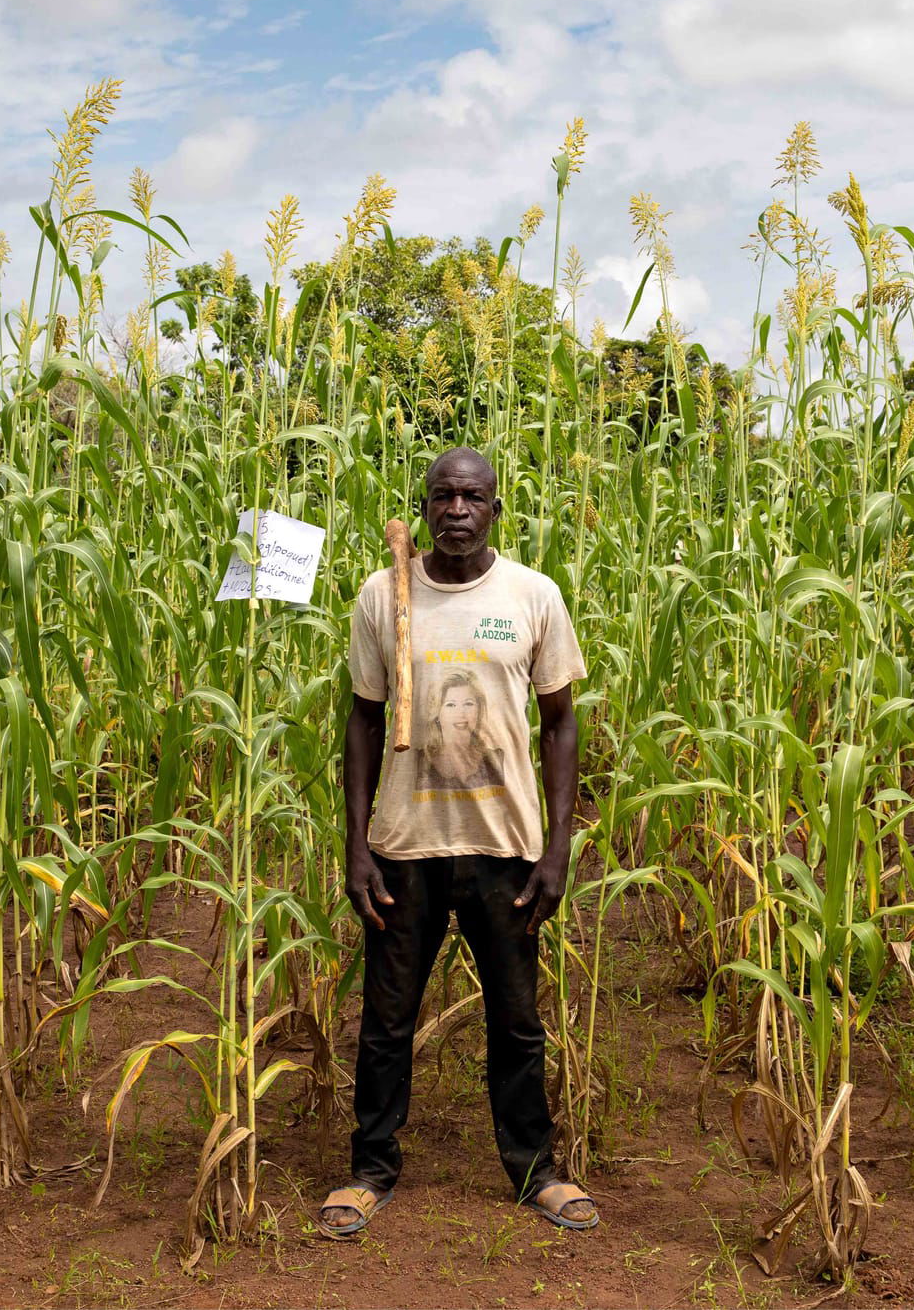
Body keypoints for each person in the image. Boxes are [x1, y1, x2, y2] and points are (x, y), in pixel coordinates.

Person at [320, 446, 597, 1237]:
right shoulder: (384, 594)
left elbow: (561, 723)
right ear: (426, 505)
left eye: (473, 496)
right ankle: (371, 1168)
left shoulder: (533, 596)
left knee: (515, 1020)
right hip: (406, 847)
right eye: (442, 495)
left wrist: (556, 848)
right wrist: (358, 844)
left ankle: (535, 1169)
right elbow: (363, 719)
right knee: (385, 1021)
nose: (456, 509)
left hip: (504, 847)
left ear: (495, 509)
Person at [417, 669, 505, 791]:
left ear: (479, 710)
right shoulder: (420, 762)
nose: (461, 713)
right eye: (451, 705)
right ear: (437, 713)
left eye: (468, 704)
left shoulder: (495, 759)